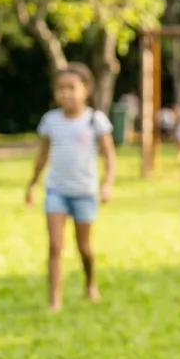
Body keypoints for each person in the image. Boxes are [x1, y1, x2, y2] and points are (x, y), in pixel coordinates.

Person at [25, 63, 116, 311]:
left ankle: (90, 282)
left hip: (85, 192)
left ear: (85, 89)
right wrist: (32, 185)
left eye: (71, 88)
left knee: (84, 247)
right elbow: (42, 156)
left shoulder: (95, 120)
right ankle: (55, 301)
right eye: (60, 89)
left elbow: (109, 155)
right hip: (56, 191)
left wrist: (107, 183)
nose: (65, 93)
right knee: (55, 246)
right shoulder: (50, 121)